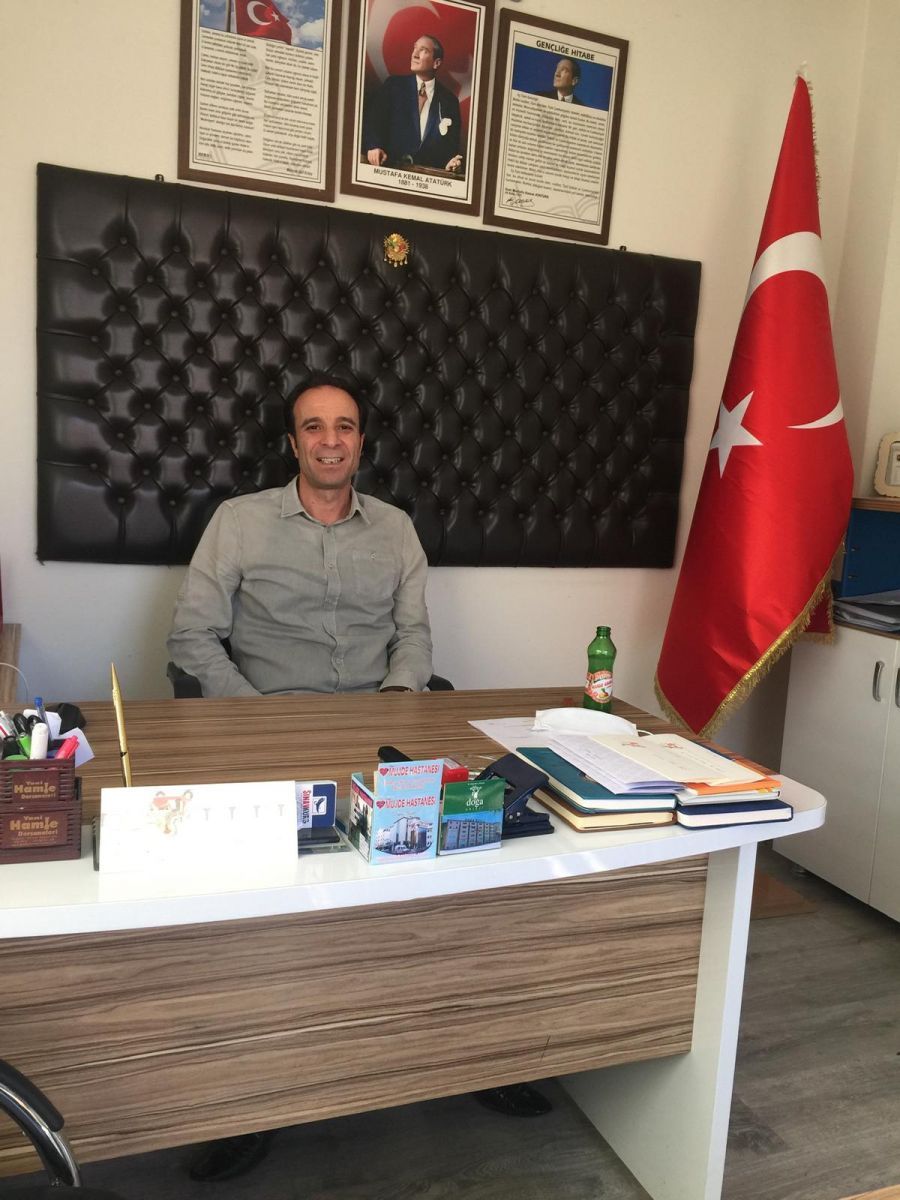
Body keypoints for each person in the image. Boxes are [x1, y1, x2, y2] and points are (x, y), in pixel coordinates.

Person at [168, 376, 433, 697]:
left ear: (360, 443)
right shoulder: (238, 520)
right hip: (273, 714)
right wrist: (250, 710)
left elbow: (412, 635)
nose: (331, 441)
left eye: (344, 427)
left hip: (379, 712)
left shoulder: (396, 527)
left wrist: (398, 693)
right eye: (314, 427)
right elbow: (192, 634)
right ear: (294, 444)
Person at [363, 33, 463, 172]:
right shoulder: (393, 86)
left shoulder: (450, 101)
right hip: (389, 169)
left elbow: (451, 147)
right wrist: (373, 146)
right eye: (415, 48)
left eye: (423, 50)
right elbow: (373, 122)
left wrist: (449, 163)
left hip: (427, 177)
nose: (414, 54)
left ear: (436, 63)